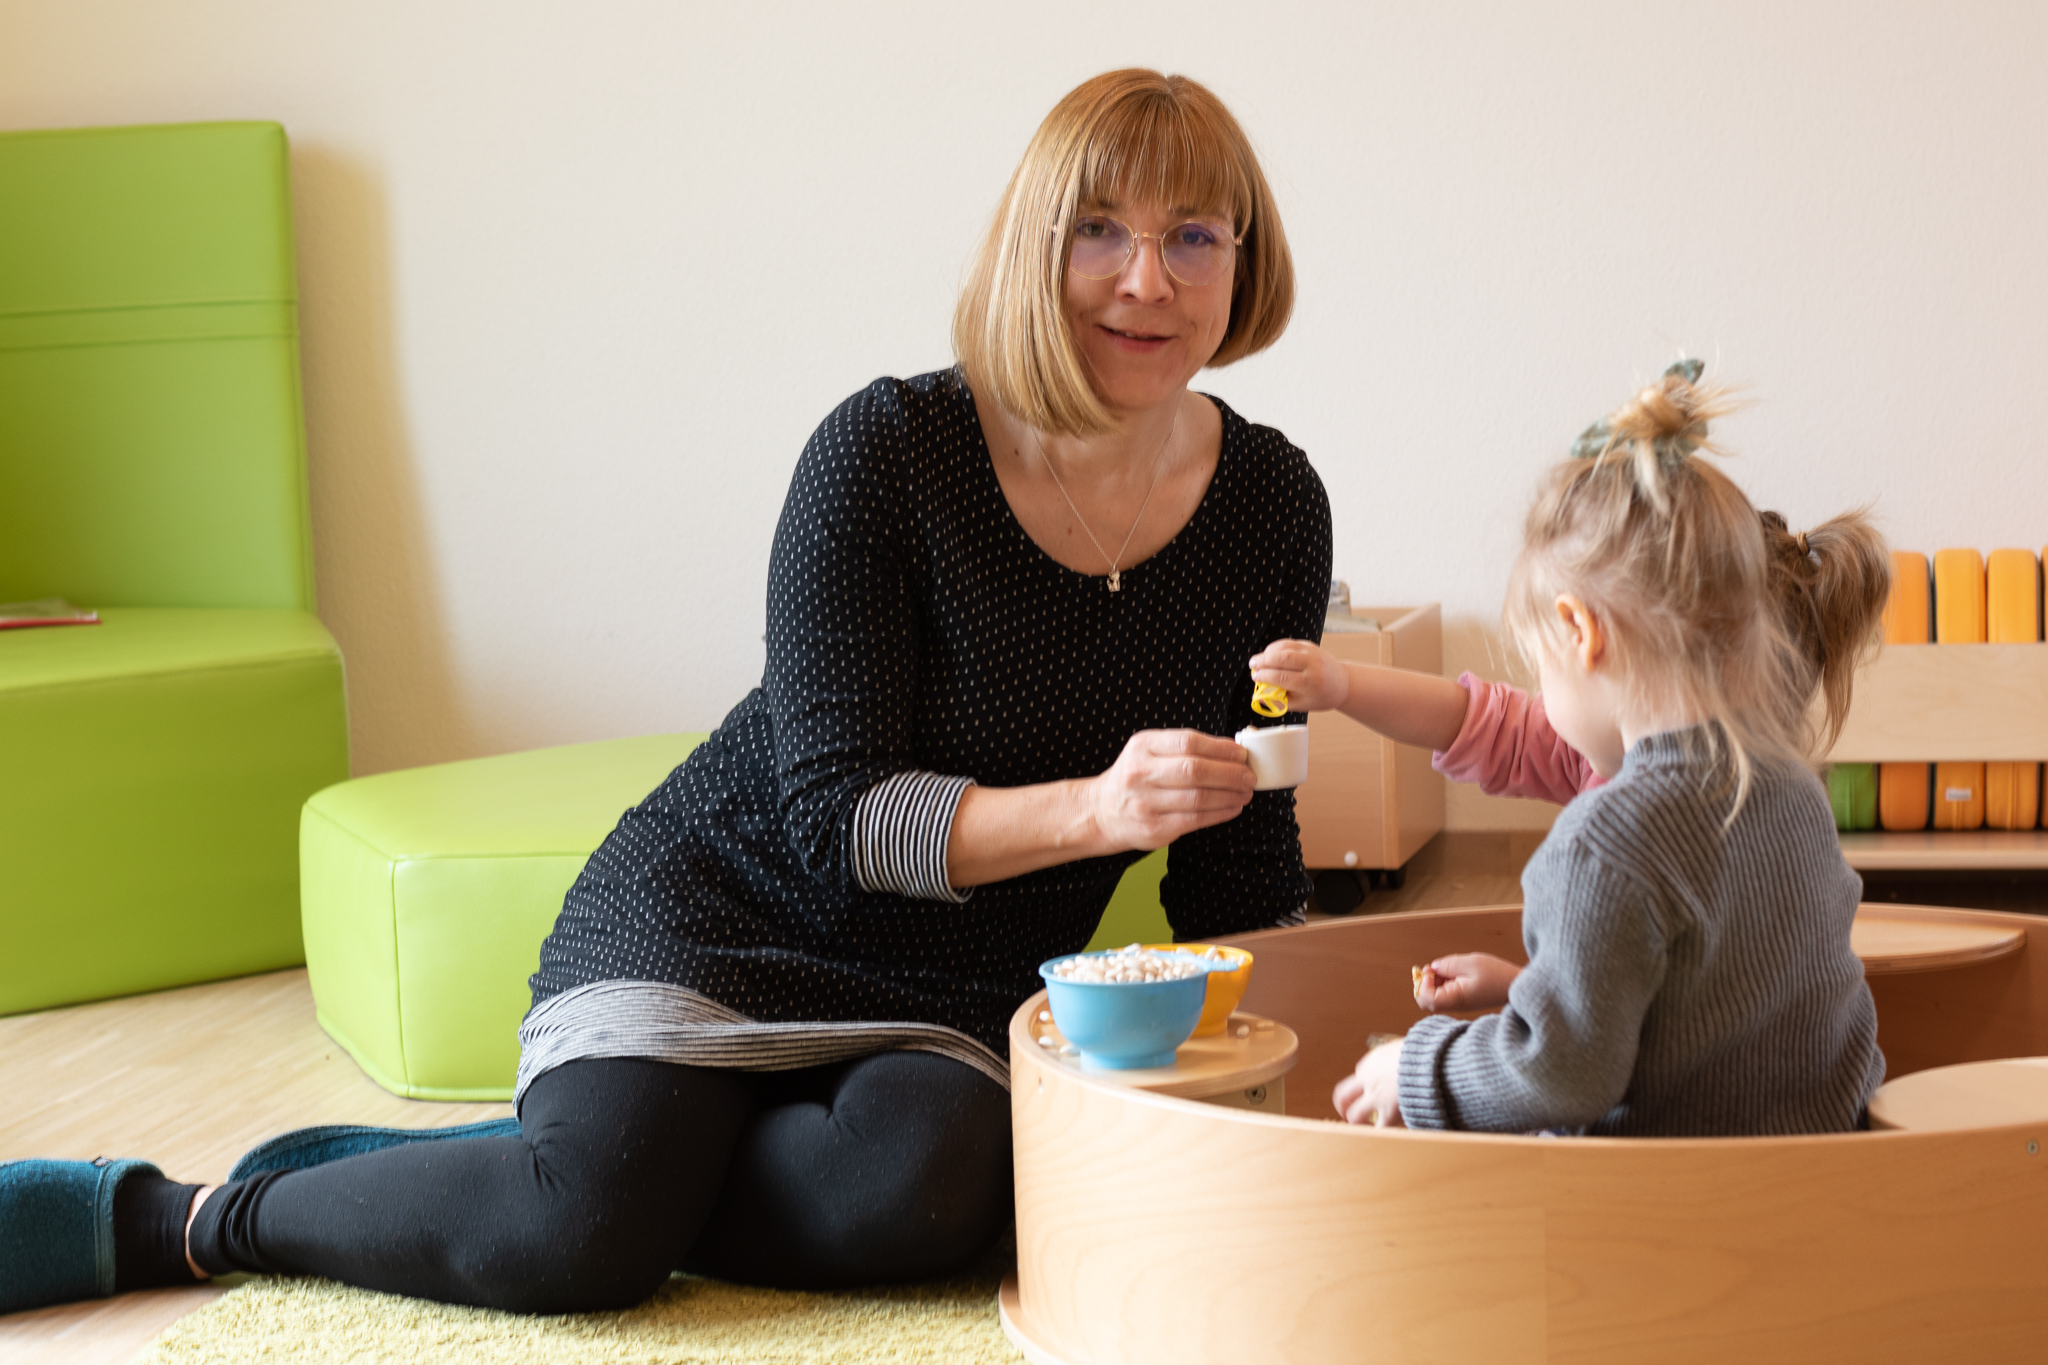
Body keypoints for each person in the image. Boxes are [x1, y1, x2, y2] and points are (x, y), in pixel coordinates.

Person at [0, 68, 1330, 1318]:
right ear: (1034, 252)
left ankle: (571, 1166)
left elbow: (1246, 849)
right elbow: (838, 820)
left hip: (948, 985)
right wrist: (1100, 813)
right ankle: (184, 1212)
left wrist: (1312, 1089)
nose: (1147, 281)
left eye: (1194, 237)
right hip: (715, 913)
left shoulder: (1273, 500)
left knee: (932, 1203)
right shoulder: (888, 449)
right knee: (588, 1246)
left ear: (1244, 262)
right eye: (1100, 230)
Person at [1259, 361, 1890, 1135]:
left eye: (1539, 663)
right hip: (1817, 1172)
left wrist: (1417, 1064)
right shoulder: (1792, 786)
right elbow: (1716, 1004)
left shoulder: (1606, 839)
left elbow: (1562, 1074)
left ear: (1582, 633)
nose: (1541, 700)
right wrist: (1537, 990)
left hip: (1658, 1207)